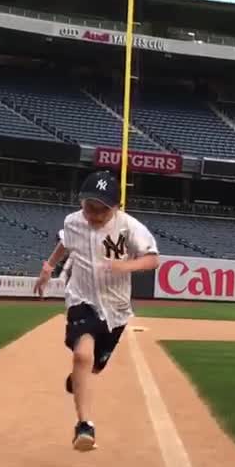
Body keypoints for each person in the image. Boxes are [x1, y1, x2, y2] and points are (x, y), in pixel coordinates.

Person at [35, 171, 160, 451]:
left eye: (100, 210)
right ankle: (84, 426)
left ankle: (78, 380)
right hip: (82, 298)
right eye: (88, 207)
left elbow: (152, 259)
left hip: (116, 308)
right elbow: (65, 243)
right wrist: (49, 266)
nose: (92, 215)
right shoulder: (73, 221)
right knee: (82, 355)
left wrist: (125, 266)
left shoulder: (129, 227)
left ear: (114, 208)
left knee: (94, 366)